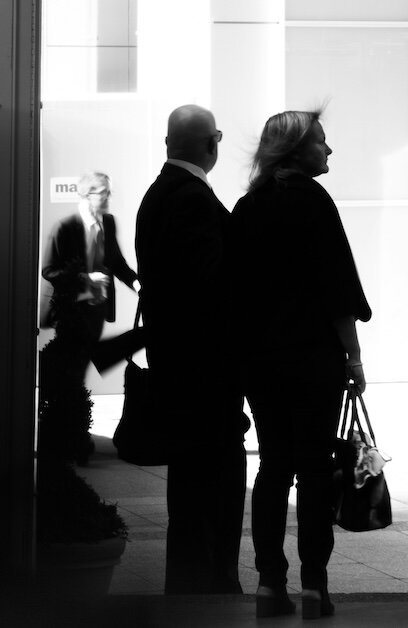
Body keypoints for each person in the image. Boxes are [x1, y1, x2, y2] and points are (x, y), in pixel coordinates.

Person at [229, 109, 371, 620]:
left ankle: (270, 583)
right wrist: (353, 355)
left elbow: (233, 292)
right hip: (314, 358)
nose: (328, 150)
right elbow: (337, 288)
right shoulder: (314, 202)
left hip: (262, 361)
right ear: (296, 150)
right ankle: (314, 587)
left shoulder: (248, 207)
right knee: (314, 471)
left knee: (272, 467)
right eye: (320, 142)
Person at [134, 104, 249, 594]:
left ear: (168, 143)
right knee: (214, 483)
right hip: (205, 376)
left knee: (188, 488)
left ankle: (189, 583)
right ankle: (209, 584)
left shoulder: (157, 194)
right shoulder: (193, 199)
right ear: (212, 144)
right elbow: (209, 289)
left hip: (176, 368)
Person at [40, 171, 139, 464]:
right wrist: (86, 278)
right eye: (103, 192)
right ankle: (74, 439)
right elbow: (49, 270)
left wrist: (136, 283)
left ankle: (74, 436)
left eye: (109, 192)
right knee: (75, 369)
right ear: (86, 195)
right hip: (71, 311)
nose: (108, 197)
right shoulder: (65, 227)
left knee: (80, 367)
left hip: (96, 311)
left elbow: (116, 262)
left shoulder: (108, 223)